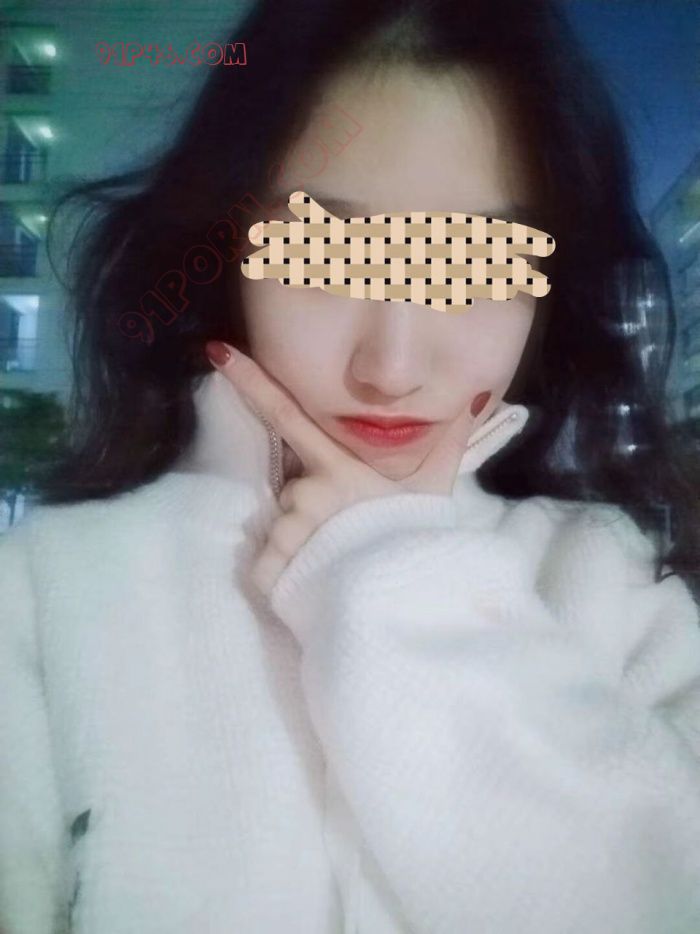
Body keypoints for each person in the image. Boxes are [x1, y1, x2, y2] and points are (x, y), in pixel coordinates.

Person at [1, 1, 700, 932]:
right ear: (227, 255)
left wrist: (398, 581)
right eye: (325, 254)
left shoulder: (612, 585)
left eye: (475, 263)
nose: (393, 366)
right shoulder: (44, 595)